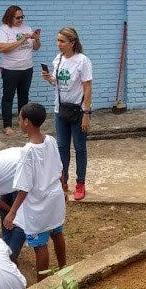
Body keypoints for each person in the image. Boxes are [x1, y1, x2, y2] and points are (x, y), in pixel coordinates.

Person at [3, 103, 68, 279]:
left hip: (38, 203)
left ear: (27, 122)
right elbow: (60, 168)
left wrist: (12, 213)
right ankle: (64, 269)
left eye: (19, 119)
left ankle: (42, 284)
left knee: (40, 244)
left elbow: (24, 187)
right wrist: (63, 189)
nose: (18, 122)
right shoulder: (51, 140)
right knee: (56, 232)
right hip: (55, 196)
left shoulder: (27, 152)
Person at [42, 27, 93, 201]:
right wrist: (49, 79)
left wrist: (86, 112)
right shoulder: (58, 59)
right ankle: (63, 181)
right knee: (62, 147)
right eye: (57, 40)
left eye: (62, 41)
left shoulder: (82, 61)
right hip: (60, 110)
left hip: (78, 111)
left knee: (80, 148)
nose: (59, 44)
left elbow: (87, 87)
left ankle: (81, 183)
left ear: (72, 43)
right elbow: (57, 83)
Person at [0, 5, 41, 136]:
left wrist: (36, 39)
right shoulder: (3, 30)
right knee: (8, 97)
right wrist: (21, 40)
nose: (20, 20)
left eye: (22, 17)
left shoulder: (27, 28)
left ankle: (24, 122)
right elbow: (2, 48)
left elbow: (36, 48)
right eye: (18, 17)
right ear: (10, 17)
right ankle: (7, 125)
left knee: (24, 97)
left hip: (27, 67)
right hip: (10, 68)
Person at [0, 146, 28, 261]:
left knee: (20, 220)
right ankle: (5, 253)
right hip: (10, 171)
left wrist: (13, 212)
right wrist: (10, 212)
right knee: (7, 217)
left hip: (20, 170)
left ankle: (11, 258)